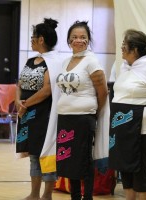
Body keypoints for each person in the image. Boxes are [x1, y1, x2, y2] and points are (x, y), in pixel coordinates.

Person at [108, 29, 146, 200]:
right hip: (120, 124)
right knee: (123, 165)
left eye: (123, 46)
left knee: (139, 167)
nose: (121, 49)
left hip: (141, 124)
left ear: (134, 49)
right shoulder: (125, 66)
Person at [55, 20, 108, 200]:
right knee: (69, 161)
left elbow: (103, 92)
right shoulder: (65, 61)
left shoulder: (92, 61)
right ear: (69, 40)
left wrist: (93, 112)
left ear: (88, 40)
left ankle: (87, 198)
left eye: (83, 37)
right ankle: (75, 196)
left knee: (84, 161)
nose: (79, 40)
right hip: (65, 117)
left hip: (83, 118)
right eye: (75, 37)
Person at [15, 18, 62, 200]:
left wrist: (25, 104)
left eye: (33, 37)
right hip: (27, 113)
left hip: (44, 114)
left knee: (46, 155)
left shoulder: (54, 61)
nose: (31, 40)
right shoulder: (30, 60)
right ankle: (34, 194)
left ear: (41, 39)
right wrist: (18, 101)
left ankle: (47, 195)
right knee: (33, 154)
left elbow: (47, 89)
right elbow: (19, 84)